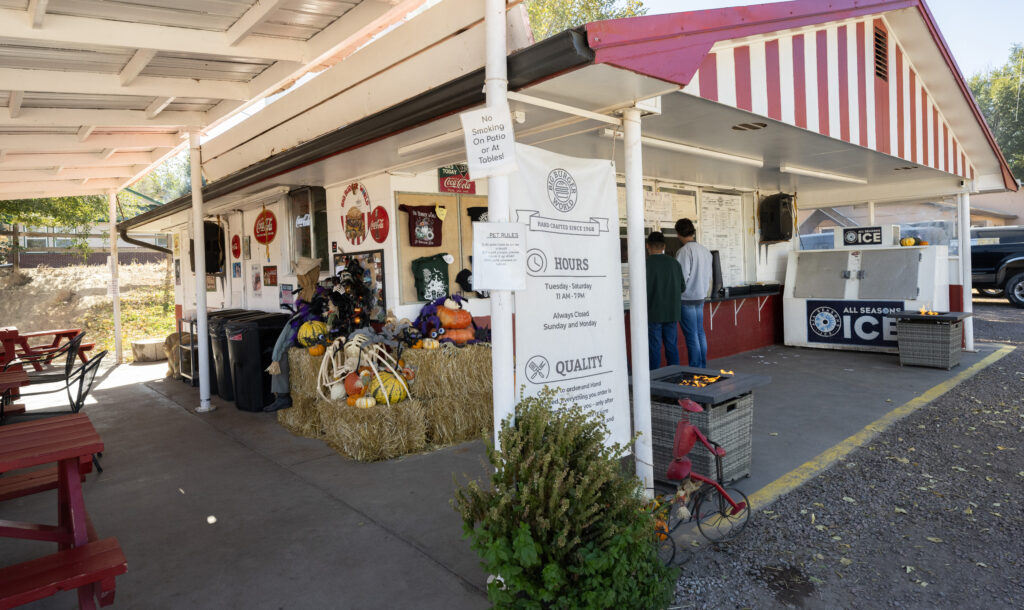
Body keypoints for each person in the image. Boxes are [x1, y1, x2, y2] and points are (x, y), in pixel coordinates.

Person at [675, 218, 713, 368]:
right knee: (700, 333)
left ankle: (696, 368)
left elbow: (682, 277)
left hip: (686, 299)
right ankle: (702, 366)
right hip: (700, 297)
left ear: (678, 233)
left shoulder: (684, 251)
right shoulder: (705, 251)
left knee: (691, 335)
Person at [645, 232, 683, 370]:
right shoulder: (674, 263)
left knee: (654, 348)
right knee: (671, 346)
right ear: (664, 246)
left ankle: (654, 380)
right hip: (672, 313)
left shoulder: (644, 264)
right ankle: (675, 375)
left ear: (647, 246)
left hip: (653, 313)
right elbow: (682, 287)